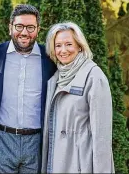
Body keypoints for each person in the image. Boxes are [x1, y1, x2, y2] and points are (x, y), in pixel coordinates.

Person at [0, 4, 56, 173]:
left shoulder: (50, 58)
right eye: (19, 26)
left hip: (36, 141)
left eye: (30, 27)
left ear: (38, 29)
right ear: (10, 28)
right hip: (2, 139)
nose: (24, 32)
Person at [41, 22, 115, 173]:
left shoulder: (94, 76)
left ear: (80, 46)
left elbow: (102, 136)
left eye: (69, 44)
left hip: (81, 164)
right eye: (58, 45)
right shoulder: (56, 77)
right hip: (57, 162)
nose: (63, 50)